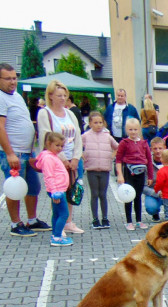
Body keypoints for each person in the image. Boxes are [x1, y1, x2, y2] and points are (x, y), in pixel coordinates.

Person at [0, 63, 51, 237]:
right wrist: (9, 154)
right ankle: (16, 224)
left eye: (15, 77)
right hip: (13, 153)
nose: (13, 81)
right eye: (8, 78)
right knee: (15, 188)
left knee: (33, 187)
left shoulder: (16, 96)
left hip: (27, 152)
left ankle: (32, 221)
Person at [37, 80, 85, 235]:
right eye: (59, 95)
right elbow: (47, 137)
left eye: (65, 95)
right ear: (50, 96)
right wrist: (63, 159)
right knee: (58, 192)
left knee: (71, 190)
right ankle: (59, 223)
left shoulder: (70, 113)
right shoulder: (45, 113)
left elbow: (78, 135)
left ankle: (69, 222)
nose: (63, 98)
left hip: (73, 158)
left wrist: (76, 157)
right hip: (56, 159)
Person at [35, 132, 74, 247]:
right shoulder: (48, 158)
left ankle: (55, 235)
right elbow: (49, 176)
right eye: (57, 145)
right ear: (48, 143)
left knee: (56, 213)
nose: (60, 148)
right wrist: (55, 192)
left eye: (62, 146)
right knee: (64, 214)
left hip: (58, 190)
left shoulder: (51, 156)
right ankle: (57, 237)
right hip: (57, 191)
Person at [81, 111, 118, 229]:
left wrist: (112, 155)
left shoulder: (107, 136)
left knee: (103, 194)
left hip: (104, 169)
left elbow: (118, 147)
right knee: (94, 194)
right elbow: (76, 146)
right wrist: (82, 155)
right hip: (91, 169)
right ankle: (95, 218)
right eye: (95, 122)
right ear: (90, 123)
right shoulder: (86, 136)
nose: (98, 125)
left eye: (100, 122)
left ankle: (105, 218)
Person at [116, 118, 154, 231]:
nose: (133, 132)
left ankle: (139, 220)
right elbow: (118, 160)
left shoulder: (144, 143)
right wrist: (120, 175)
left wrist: (150, 176)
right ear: (126, 130)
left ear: (139, 130)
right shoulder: (124, 143)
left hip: (141, 173)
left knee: (138, 197)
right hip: (128, 172)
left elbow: (149, 160)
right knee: (128, 197)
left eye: (135, 129)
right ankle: (129, 221)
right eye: (130, 129)